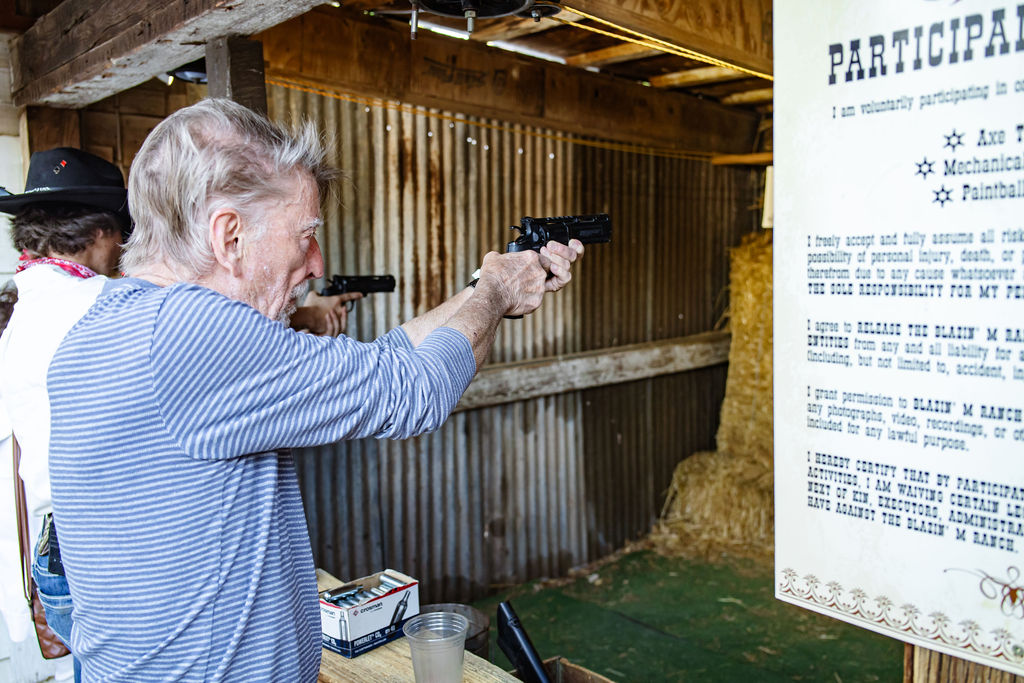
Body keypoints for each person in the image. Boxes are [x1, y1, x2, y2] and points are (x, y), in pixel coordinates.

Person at [47, 98, 583, 682]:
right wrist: (496, 295)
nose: (316, 262)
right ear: (228, 237)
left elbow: (387, 362)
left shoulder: (110, 323)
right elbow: (415, 392)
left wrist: (486, 287)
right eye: (305, 236)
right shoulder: (190, 330)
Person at [0, 147, 132, 682]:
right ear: (101, 233)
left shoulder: (20, 311)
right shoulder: (108, 304)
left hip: (56, 550)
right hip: (109, 549)